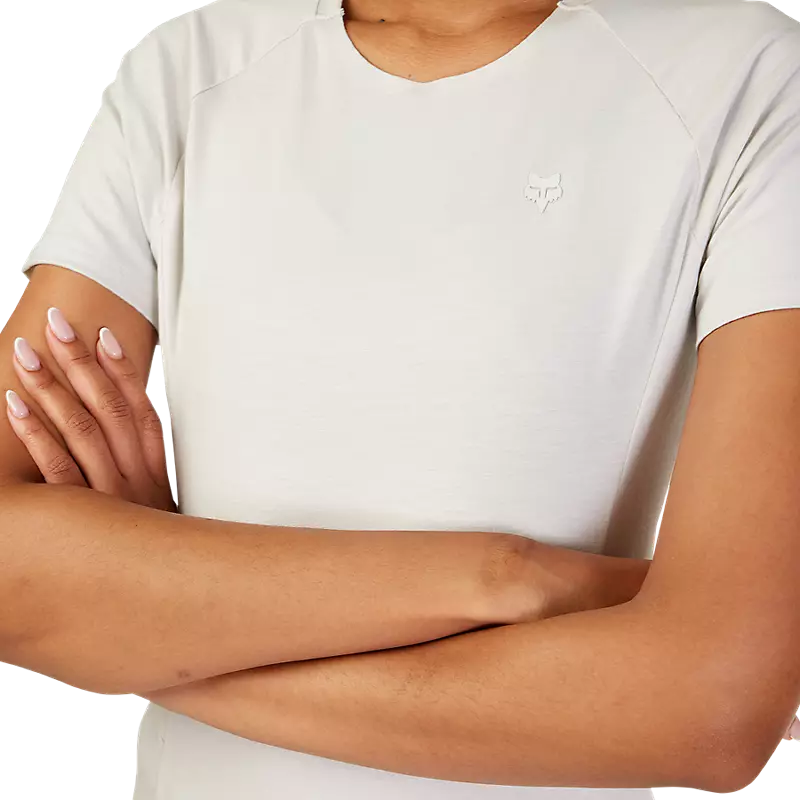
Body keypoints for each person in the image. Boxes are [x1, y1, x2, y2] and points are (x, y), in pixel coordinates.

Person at [2, 0, 800, 797]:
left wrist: (147, 624)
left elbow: (710, 710)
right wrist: (503, 578)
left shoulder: (747, 77)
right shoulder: (189, 73)